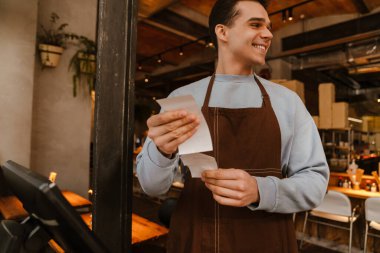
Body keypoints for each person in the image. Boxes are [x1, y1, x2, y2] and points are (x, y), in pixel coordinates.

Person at [136, 0, 329, 252]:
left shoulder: (287, 102)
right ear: (222, 32)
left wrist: (260, 190)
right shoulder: (183, 98)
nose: (268, 34)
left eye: (269, 27)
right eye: (255, 24)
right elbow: (152, 187)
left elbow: (315, 183)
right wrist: (161, 152)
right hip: (195, 240)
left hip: (268, 242)